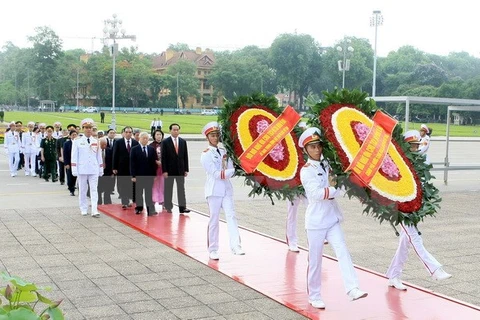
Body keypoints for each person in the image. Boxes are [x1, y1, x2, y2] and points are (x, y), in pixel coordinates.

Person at [299, 127, 368, 309]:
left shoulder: (328, 164)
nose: (317, 150)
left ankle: (352, 288)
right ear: (305, 150)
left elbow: (338, 184)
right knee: (315, 260)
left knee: (342, 250)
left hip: (331, 219)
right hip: (315, 222)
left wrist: (349, 188)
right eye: (312, 147)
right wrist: (335, 190)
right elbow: (315, 194)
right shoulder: (306, 171)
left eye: (318, 146)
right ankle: (314, 295)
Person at [386, 130, 452, 291]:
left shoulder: (417, 163)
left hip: (412, 209)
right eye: (412, 146)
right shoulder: (398, 164)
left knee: (404, 244)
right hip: (400, 210)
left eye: (416, 146)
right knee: (415, 239)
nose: (415, 149)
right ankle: (435, 269)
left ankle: (393, 275)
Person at [200, 122, 244, 260]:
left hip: (226, 189)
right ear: (207, 137)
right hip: (214, 190)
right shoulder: (206, 154)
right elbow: (216, 174)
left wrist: (235, 169)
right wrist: (234, 170)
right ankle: (213, 249)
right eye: (212, 135)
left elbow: (229, 167)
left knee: (231, 216)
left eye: (217, 135)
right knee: (214, 219)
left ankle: (236, 245)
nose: (215, 138)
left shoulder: (224, 152)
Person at [71, 118, 103, 217]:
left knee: (94, 190)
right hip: (82, 169)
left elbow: (99, 156)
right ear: (82, 128)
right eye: (86, 128)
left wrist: (100, 169)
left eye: (90, 128)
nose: (88, 129)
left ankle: (94, 209)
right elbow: (74, 156)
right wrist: (74, 169)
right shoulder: (77, 141)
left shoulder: (96, 141)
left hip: (93, 168)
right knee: (83, 190)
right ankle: (83, 208)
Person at [161, 123, 190, 214]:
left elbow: (185, 156)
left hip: (180, 170)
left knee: (181, 189)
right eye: (174, 130)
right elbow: (163, 157)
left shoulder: (183, 141)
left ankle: (182, 207)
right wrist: (164, 170)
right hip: (169, 170)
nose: (176, 131)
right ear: (170, 131)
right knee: (168, 189)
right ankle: (168, 206)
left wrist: (186, 169)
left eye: (177, 130)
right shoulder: (165, 142)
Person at [130, 132, 158, 216]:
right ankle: (139, 208)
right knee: (139, 193)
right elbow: (132, 164)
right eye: (143, 138)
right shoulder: (134, 149)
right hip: (139, 175)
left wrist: (154, 175)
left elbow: (154, 163)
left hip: (149, 176)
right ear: (140, 139)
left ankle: (151, 210)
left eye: (147, 138)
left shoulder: (151, 149)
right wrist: (133, 176)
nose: (145, 140)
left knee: (149, 193)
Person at [112, 126, 139, 209]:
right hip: (121, 167)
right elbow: (115, 155)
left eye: (130, 132)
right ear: (123, 133)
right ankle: (124, 202)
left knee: (130, 185)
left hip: (132, 168)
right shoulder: (118, 142)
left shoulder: (135, 142)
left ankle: (130, 200)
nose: (128, 134)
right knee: (122, 185)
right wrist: (114, 167)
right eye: (126, 132)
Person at [150, 129, 165, 210]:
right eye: (157, 134)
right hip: (155, 168)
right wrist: (156, 161)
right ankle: (153, 200)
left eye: (160, 134)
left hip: (164, 168)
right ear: (154, 136)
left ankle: (163, 201)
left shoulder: (165, 144)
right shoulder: (151, 145)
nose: (159, 136)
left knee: (163, 185)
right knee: (154, 185)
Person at [97, 138, 114, 205]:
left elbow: (112, 161)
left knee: (108, 188)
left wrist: (112, 172)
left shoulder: (109, 151)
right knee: (98, 188)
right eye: (102, 144)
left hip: (107, 172)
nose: (104, 146)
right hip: (98, 172)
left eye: (105, 144)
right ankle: (99, 201)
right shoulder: (96, 151)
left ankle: (107, 201)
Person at [63, 130, 78, 196]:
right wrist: (66, 163)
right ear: (70, 136)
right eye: (73, 135)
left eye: (75, 135)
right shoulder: (67, 143)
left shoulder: (78, 143)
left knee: (76, 177)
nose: (74, 136)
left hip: (77, 163)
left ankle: (75, 187)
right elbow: (65, 154)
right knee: (70, 177)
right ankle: (71, 189)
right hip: (70, 162)